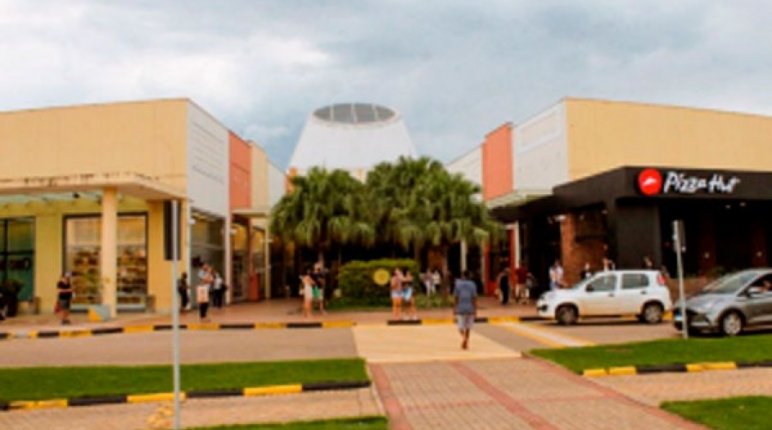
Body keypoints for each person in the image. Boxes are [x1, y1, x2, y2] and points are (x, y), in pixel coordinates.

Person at [453, 270, 477, 350]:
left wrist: (454, 308)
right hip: (470, 308)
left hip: (460, 307)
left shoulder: (458, 284)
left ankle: (464, 338)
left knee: (460, 326)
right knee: (468, 327)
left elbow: (456, 297)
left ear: (462, 276)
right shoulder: (473, 284)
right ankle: (466, 342)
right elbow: (474, 298)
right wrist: (475, 309)